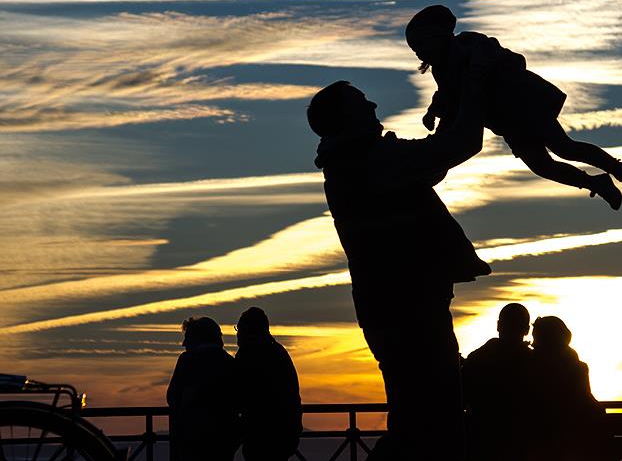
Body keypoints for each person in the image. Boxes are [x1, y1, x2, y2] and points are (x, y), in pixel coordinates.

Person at [306, 47, 490, 460]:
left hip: (396, 306)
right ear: (344, 118)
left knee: (422, 418)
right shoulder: (371, 161)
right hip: (409, 307)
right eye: (360, 101)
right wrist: (472, 85)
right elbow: (460, 145)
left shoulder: (356, 162)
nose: (372, 104)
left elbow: (436, 158)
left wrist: (453, 98)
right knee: (433, 424)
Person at [405, 4, 622, 211]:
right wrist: (433, 112)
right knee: (541, 165)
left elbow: (505, 59)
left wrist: (479, 71)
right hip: (506, 120)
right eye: (415, 50)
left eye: (421, 46)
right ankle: (598, 183)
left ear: (438, 36)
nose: (419, 53)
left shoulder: (470, 43)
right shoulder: (442, 69)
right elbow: (448, 95)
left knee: (563, 147)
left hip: (523, 105)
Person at [462, 303, 533, 461]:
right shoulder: (537, 364)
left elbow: (462, 398)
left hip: (482, 441)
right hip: (524, 444)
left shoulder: (477, 359)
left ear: (498, 326)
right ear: (527, 330)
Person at [529, 316, 605, 461]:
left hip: (538, 440)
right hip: (572, 440)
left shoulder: (529, 365)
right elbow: (587, 402)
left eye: (535, 337)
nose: (533, 342)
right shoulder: (578, 367)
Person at [167, 317, 240, 461]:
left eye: (187, 338)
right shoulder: (230, 362)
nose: (184, 344)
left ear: (196, 338)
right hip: (223, 441)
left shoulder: (187, 360)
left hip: (192, 439)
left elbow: (172, 397)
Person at [235, 307, 303, 461]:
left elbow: (239, 393)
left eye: (240, 329)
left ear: (248, 330)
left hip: (259, 434)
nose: (237, 333)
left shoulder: (247, 355)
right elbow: (292, 395)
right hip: (283, 433)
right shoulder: (278, 352)